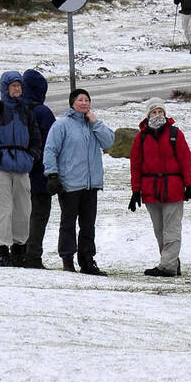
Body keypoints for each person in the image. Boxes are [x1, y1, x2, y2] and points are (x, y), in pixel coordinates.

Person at [0, 71, 43, 267]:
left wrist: (31, 157)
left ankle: (19, 250)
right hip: (0, 169)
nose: (17, 89)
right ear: (5, 88)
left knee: (23, 211)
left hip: (22, 168)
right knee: (2, 211)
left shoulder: (27, 112)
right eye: (13, 86)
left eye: (19, 86)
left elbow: (36, 140)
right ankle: (4, 252)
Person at [42, 88, 115, 275]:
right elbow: (50, 150)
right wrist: (52, 174)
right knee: (68, 223)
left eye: (87, 100)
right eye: (80, 100)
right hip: (70, 184)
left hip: (91, 185)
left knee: (88, 224)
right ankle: (67, 259)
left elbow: (108, 142)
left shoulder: (94, 124)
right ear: (72, 103)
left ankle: (87, 260)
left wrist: (95, 122)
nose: (84, 103)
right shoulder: (62, 125)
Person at [128, 98, 191, 277]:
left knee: (171, 229)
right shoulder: (141, 137)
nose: (157, 115)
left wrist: (189, 184)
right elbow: (135, 165)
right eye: (154, 112)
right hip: (151, 190)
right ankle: (171, 261)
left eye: (160, 112)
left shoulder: (175, 134)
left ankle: (168, 266)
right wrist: (136, 190)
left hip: (173, 188)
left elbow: (185, 159)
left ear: (165, 114)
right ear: (148, 115)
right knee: (159, 231)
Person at [21, 68, 57, 269]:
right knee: (38, 216)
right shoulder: (43, 112)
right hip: (39, 173)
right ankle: (33, 256)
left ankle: (17, 253)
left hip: (17, 171)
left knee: (20, 215)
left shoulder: (14, 109)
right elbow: (52, 144)